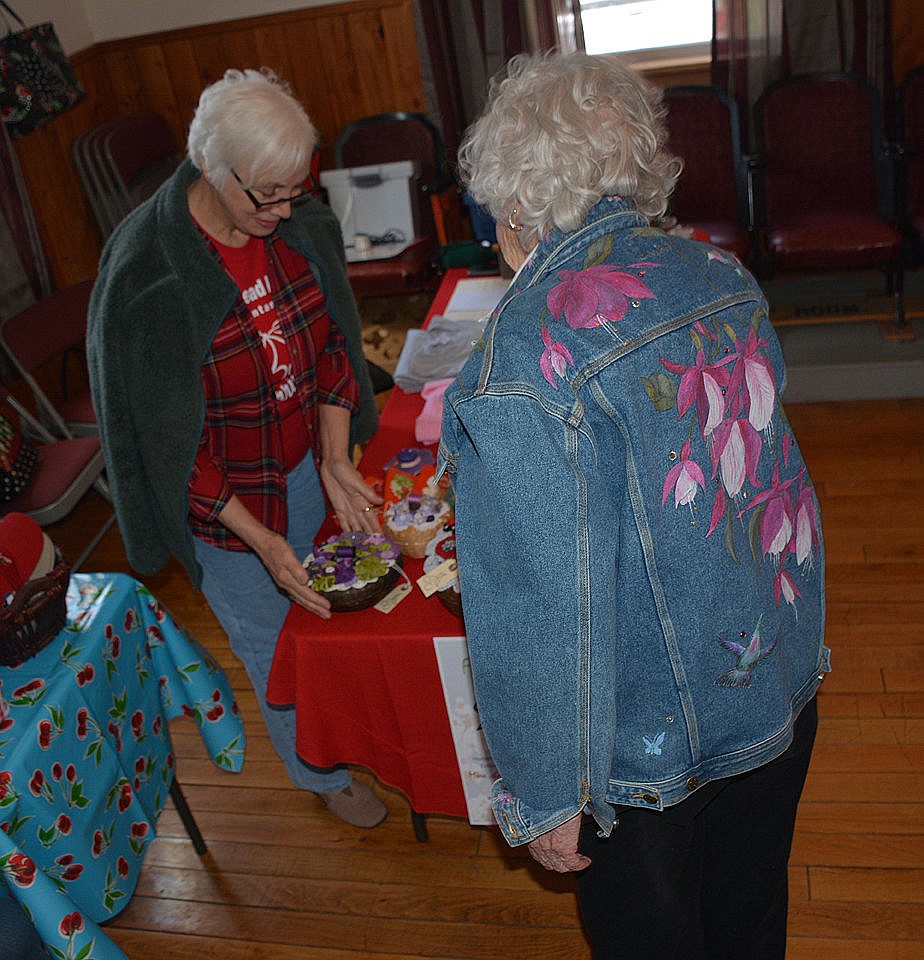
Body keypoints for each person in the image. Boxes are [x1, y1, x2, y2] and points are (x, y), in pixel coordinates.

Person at [438, 51, 829, 958]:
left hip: (653, 755)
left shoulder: (520, 368)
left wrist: (543, 793)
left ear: (516, 211)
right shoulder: (720, 275)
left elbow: (540, 610)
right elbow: (766, 485)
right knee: (749, 917)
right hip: (775, 681)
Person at [88, 68, 388, 828]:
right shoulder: (149, 279)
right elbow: (174, 453)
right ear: (212, 171)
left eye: (298, 189)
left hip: (302, 464)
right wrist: (260, 542)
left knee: (340, 615)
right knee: (275, 645)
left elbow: (330, 353)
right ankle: (319, 773)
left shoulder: (296, 227)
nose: (287, 210)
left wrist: (334, 455)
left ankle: (362, 736)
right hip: (226, 511)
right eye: (269, 195)